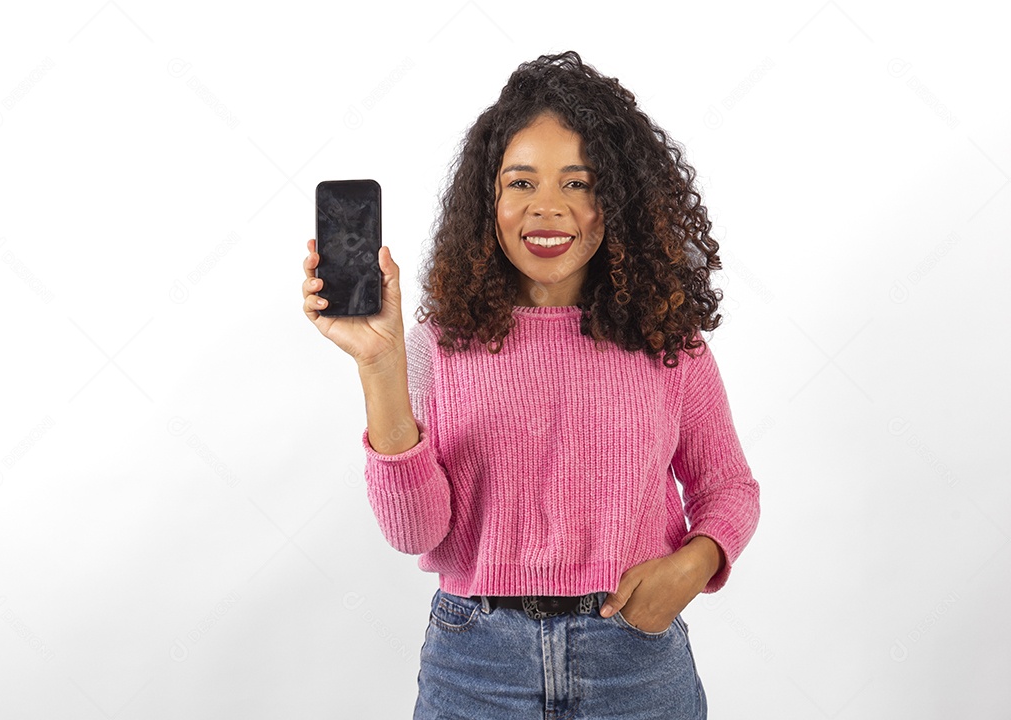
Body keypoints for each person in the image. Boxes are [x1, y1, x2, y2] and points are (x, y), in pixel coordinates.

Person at [302, 50, 760, 720]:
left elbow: (729, 488)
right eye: (521, 183)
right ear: (488, 201)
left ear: (616, 203)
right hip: (476, 666)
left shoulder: (667, 343)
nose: (547, 208)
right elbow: (415, 531)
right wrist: (379, 368)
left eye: (578, 184)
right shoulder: (438, 345)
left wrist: (693, 566)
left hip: (634, 664)